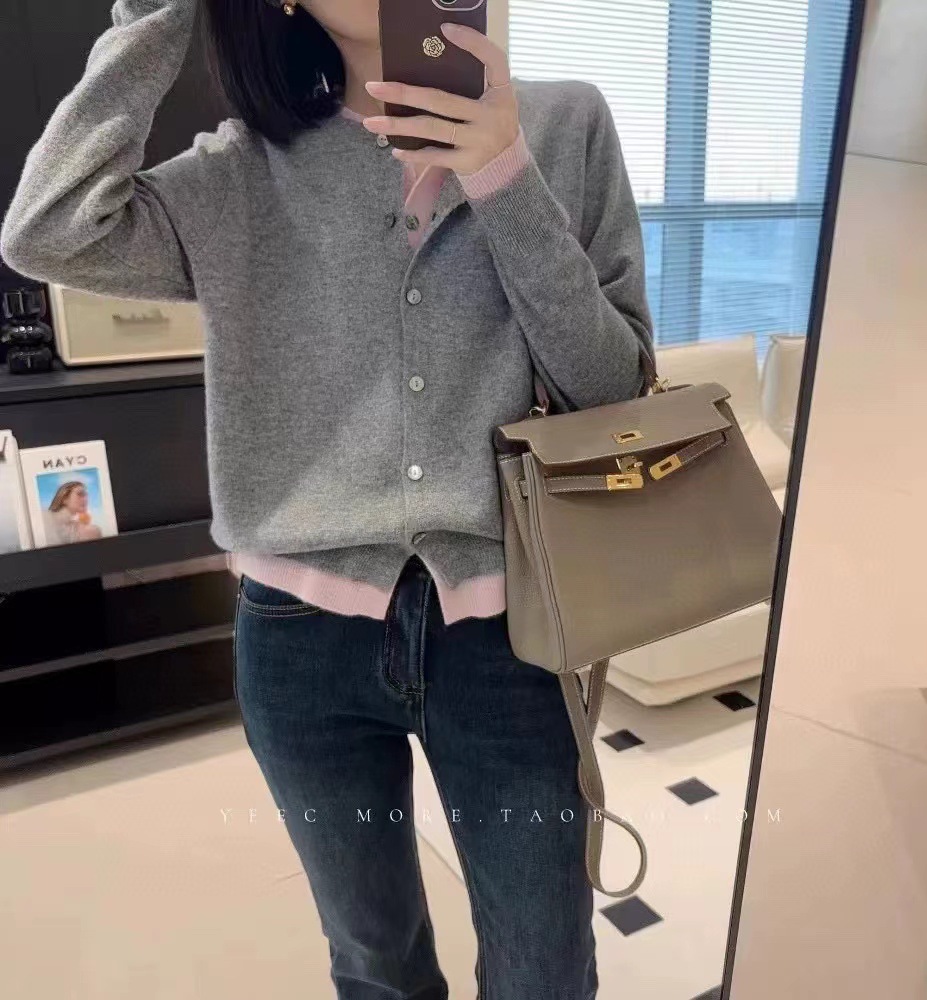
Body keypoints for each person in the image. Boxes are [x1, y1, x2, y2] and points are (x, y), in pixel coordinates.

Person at [0, 1, 654, 996]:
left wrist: (503, 174)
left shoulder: (566, 126)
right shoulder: (245, 169)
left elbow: (613, 389)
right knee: (375, 963)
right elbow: (49, 228)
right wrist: (154, 13)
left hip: (509, 637)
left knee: (546, 971)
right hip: (300, 645)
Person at [44, 481, 103, 545]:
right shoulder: (44, 517)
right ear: (64, 499)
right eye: (80, 494)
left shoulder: (82, 528)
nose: (86, 499)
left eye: (86, 495)